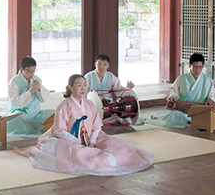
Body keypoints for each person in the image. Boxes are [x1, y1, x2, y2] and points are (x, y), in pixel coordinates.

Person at [12, 74, 153, 176]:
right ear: (70, 88)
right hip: (68, 138)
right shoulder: (64, 105)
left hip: (91, 136)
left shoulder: (90, 104)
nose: (83, 88)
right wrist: (80, 142)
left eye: (85, 84)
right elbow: (60, 130)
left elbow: (97, 126)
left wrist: (91, 140)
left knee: (117, 147)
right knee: (83, 156)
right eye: (79, 85)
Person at [163, 53, 215, 127]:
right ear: (190, 65)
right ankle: (191, 120)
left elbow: (213, 95)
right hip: (184, 109)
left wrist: (210, 99)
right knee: (175, 115)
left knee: (213, 117)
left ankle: (191, 120)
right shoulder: (182, 78)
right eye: (195, 67)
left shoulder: (207, 80)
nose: (197, 70)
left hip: (200, 109)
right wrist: (172, 96)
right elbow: (172, 90)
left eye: (200, 67)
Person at [6, 56, 55, 137]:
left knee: (54, 113)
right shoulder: (13, 82)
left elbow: (44, 97)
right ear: (22, 69)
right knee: (19, 118)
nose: (31, 74)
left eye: (33, 71)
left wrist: (39, 89)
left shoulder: (36, 79)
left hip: (35, 113)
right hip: (20, 113)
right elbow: (15, 102)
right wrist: (30, 91)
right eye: (29, 71)